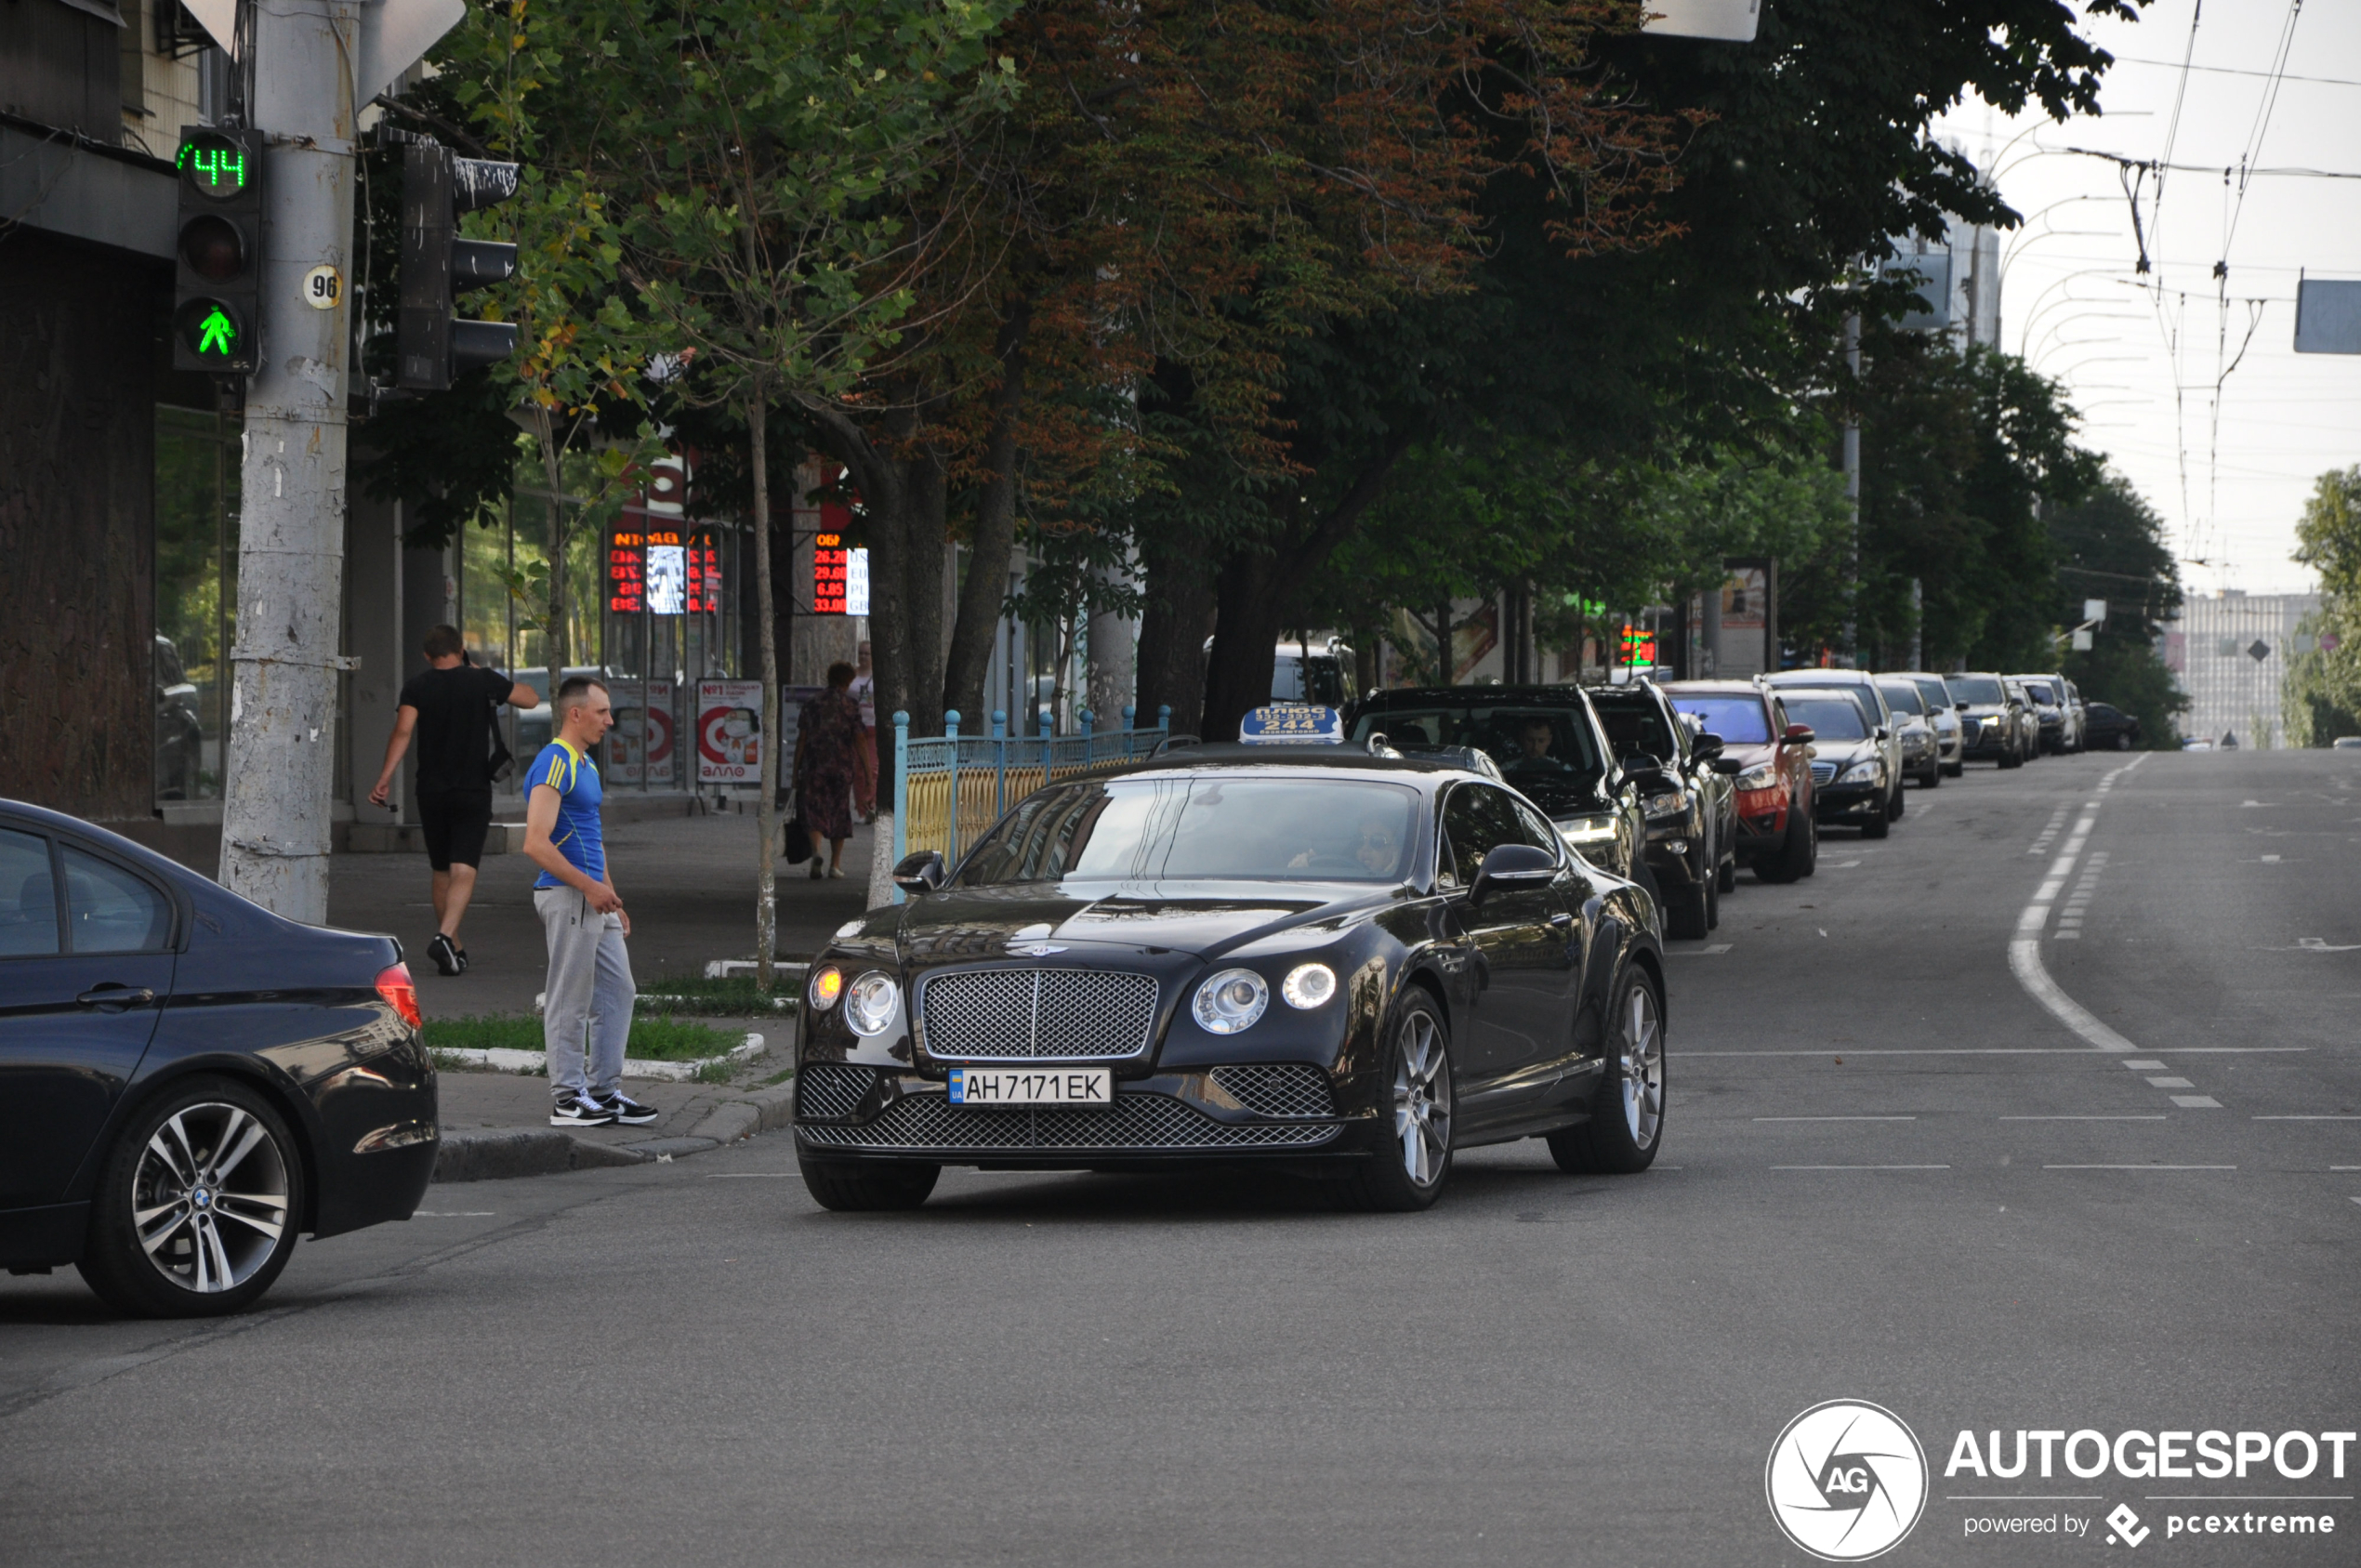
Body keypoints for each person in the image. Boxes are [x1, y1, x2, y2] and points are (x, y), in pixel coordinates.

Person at [521, 675, 655, 1127]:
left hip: (594, 899)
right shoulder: (555, 761)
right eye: (602, 712)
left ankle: (603, 1089)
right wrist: (590, 888)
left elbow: (591, 840)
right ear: (575, 714)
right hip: (569, 896)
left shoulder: (587, 764)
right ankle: (567, 1097)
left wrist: (611, 896)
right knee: (570, 998)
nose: (610, 721)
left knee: (619, 990)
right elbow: (536, 844)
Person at [367, 625, 535, 976]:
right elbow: (530, 698)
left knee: (441, 869)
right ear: (461, 649)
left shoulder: (417, 686)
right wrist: (479, 672)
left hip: (430, 791)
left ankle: (454, 950)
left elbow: (402, 731)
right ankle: (445, 936)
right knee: (464, 868)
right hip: (472, 790)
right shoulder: (482, 680)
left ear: (428, 656)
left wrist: (384, 779)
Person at [793, 661, 862, 879]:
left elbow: (802, 739)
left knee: (814, 810)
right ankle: (835, 865)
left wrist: (795, 771)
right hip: (842, 768)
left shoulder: (812, 702)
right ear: (848, 681)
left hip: (814, 766)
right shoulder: (851, 704)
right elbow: (860, 740)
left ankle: (816, 853)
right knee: (839, 812)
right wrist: (868, 775)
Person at [849, 640, 878, 823]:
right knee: (857, 770)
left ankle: (871, 806)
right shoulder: (852, 676)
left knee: (873, 768)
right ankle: (860, 810)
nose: (863, 657)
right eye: (861, 653)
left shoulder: (879, 676)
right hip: (854, 727)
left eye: (867, 654)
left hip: (873, 726)